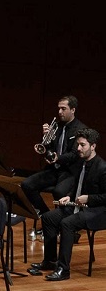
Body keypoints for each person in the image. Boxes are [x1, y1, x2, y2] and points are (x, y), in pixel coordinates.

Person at [28, 128, 106, 280]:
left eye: (82, 145)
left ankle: (63, 269)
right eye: (78, 144)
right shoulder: (81, 163)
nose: (78, 148)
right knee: (48, 218)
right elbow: (77, 185)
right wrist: (69, 196)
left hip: (97, 212)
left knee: (67, 223)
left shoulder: (102, 168)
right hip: (79, 207)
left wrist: (89, 198)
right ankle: (50, 261)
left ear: (93, 146)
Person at [21, 96, 86, 229]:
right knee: (26, 184)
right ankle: (47, 216)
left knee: (59, 192)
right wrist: (46, 138)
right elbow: (48, 149)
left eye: (63, 109)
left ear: (73, 110)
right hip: (54, 169)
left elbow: (75, 154)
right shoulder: (56, 126)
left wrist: (58, 158)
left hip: (70, 172)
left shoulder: (80, 129)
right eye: (59, 108)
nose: (60, 112)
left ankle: (64, 224)